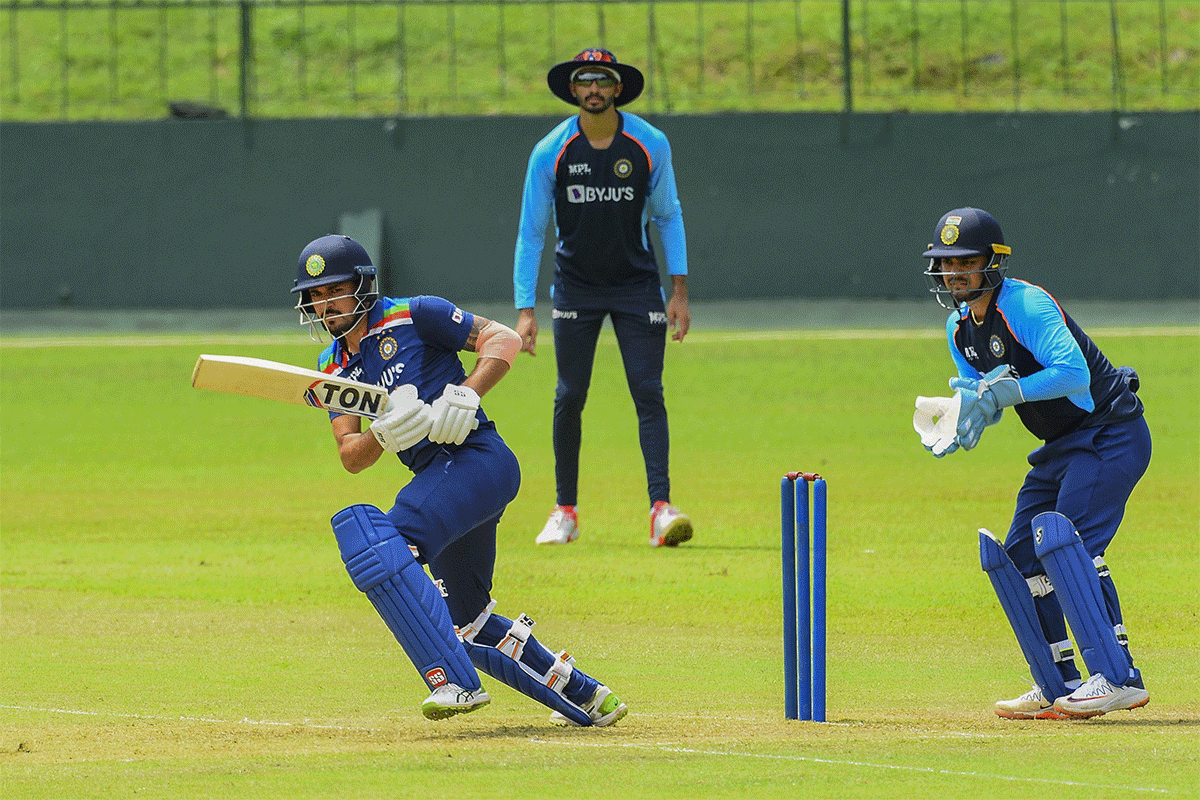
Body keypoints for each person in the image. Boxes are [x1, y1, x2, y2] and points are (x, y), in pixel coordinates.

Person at [290, 233, 627, 726]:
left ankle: (453, 684)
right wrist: (382, 435)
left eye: (333, 291)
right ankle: (588, 697)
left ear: (361, 285)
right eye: (314, 297)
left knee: (380, 544)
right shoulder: (332, 366)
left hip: (478, 460)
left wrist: (463, 394)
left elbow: (504, 339)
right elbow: (350, 456)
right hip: (439, 480)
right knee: (467, 624)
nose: (325, 305)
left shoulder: (414, 314)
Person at [916, 208, 1151, 720]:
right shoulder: (958, 328)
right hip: (1060, 448)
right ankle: (1057, 680)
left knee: (1069, 543)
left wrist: (1004, 395)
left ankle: (1118, 677)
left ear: (992, 263)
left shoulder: (1025, 304)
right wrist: (966, 418)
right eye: (945, 263)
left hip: (1110, 434)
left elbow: (1071, 374)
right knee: (1022, 556)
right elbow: (991, 395)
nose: (954, 273)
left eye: (966, 262)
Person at [513, 47, 694, 548]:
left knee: (647, 390)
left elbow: (668, 216)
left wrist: (678, 291)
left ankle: (661, 509)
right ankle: (564, 511)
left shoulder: (649, 143)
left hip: (638, 287)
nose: (594, 88)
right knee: (569, 395)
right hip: (576, 289)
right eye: (585, 80)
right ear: (573, 90)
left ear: (618, 88)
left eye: (603, 80)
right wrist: (525, 311)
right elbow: (531, 234)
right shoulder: (550, 151)